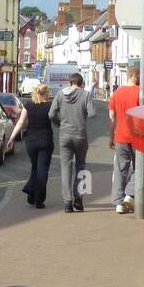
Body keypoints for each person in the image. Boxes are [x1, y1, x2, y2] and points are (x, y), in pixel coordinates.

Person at [50, 72, 95, 213]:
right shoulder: (86, 95)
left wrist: (59, 123)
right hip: (80, 135)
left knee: (66, 168)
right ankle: (79, 200)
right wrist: (83, 115)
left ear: (70, 82)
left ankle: (67, 202)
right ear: (81, 83)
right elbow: (92, 113)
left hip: (64, 135)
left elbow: (51, 114)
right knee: (81, 166)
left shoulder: (60, 94)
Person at [5, 83, 52, 209]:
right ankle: (38, 199)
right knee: (42, 170)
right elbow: (57, 120)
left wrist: (11, 139)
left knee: (35, 167)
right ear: (46, 93)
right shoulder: (50, 105)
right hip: (45, 141)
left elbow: (20, 123)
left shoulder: (28, 105)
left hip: (31, 142)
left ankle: (31, 194)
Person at [108, 61, 144, 214]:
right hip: (137, 138)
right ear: (135, 76)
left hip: (120, 136)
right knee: (142, 167)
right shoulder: (142, 93)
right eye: (140, 76)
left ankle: (118, 203)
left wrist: (112, 137)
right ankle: (129, 194)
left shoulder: (117, 93)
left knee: (120, 169)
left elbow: (112, 117)